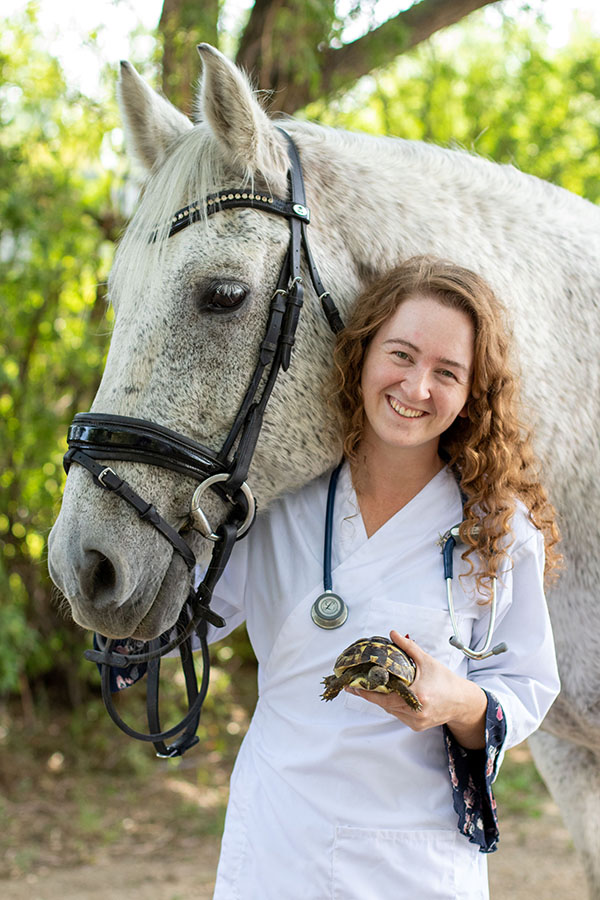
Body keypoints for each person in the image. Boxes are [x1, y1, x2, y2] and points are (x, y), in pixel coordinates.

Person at [204, 256, 561, 899]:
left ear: (471, 393)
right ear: (362, 354)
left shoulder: (499, 532)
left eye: (447, 372)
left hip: (414, 863)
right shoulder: (279, 500)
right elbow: (187, 619)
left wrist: (456, 703)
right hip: (280, 847)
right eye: (401, 354)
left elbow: (526, 684)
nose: (416, 387)